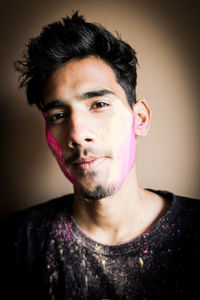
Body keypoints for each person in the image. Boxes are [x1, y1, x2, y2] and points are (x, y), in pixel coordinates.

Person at [2, 11, 200, 300]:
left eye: (98, 104)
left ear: (140, 119)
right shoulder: (19, 242)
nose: (77, 133)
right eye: (58, 115)